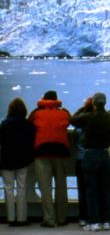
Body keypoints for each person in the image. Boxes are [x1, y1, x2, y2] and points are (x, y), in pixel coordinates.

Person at [70, 93, 110, 231]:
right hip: (104, 154)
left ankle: (94, 222)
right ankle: (106, 220)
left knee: (91, 190)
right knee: (105, 189)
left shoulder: (88, 117)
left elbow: (73, 119)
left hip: (90, 155)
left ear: (94, 104)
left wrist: (85, 107)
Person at [28, 90, 71, 227]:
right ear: (56, 99)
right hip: (61, 151)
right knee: (61, 186)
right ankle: (62, 218)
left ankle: (49, 219)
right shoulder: (64, 112)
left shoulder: (36, 113)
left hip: (42, 151)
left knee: (45, 187)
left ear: (44, 99)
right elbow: (72, 121)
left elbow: (29, 125)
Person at [0, 98, 36, 226]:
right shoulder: (28, 125)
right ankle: (22, 218)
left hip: (6, 160)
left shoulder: (4, 123)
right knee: (22, 188)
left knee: (8, 188)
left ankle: (10, 218)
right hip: (23, 160)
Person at [72, 97, 94, 227]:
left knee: (82, 190)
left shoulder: (79, 124)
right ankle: (95, 216)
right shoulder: (98, 121)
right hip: (94, 157)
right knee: (95, 189)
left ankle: (83, 217)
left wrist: (82, 109)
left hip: (81, 159)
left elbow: (73, 119)